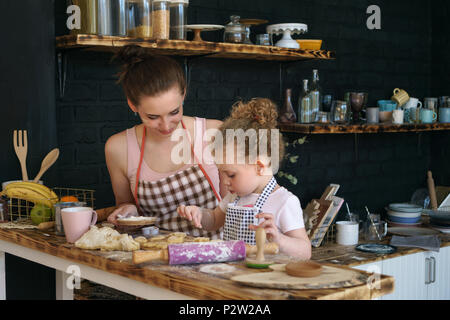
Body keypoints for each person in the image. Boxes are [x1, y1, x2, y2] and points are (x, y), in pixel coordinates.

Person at [105, 45, 225, 239]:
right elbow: (125, 204)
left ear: (183, 94)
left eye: (174, 112)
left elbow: (235, 203)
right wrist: (127, 211)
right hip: (157, 255)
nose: (166, 125)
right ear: (132, 105)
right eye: (153, 117)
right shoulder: (118, 148)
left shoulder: (214, 132)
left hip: (219, 255)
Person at [177, 98, 311, 259]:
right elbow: (213, 220)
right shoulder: (234, 197)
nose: (225, 181)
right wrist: (199, 213)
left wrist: (279, 239)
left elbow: (305, 251)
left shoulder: (285, 202)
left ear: (260, 167)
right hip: (233, 277)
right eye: (223, 173)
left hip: (266, 279)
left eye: (231, 174)